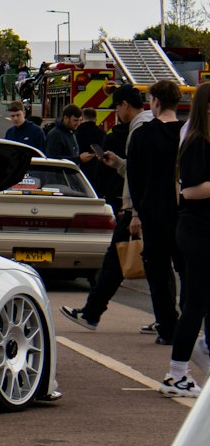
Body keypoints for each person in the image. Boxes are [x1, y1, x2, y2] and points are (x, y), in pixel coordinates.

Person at [62, 85, 152, 332]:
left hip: (137, 208)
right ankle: (166, 321)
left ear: (124, 105)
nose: (117, 113)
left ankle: (92, 313)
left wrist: (134, 211)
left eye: (116, 107)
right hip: (149, 207)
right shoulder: (151, 125)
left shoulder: (139, 128)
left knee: (116, 262)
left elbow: (138, 174)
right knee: (153, 264)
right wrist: (119, 164)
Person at [161, 83, 210, 398]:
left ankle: (191, 360)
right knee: (195, 304)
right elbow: (189, 190)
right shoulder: (196, 143)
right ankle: (176, 373)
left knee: (202, 302)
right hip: (197, 231)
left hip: (203, 231)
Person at [127, 80, 183, 347]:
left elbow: (134, 177)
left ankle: (167, 327)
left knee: (159, 274)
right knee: (189, 271)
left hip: (154, 213)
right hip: (187, 213)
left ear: (157, 102)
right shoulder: (188, 132)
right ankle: (193, 321)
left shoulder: (142, 135)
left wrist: (137, 211)